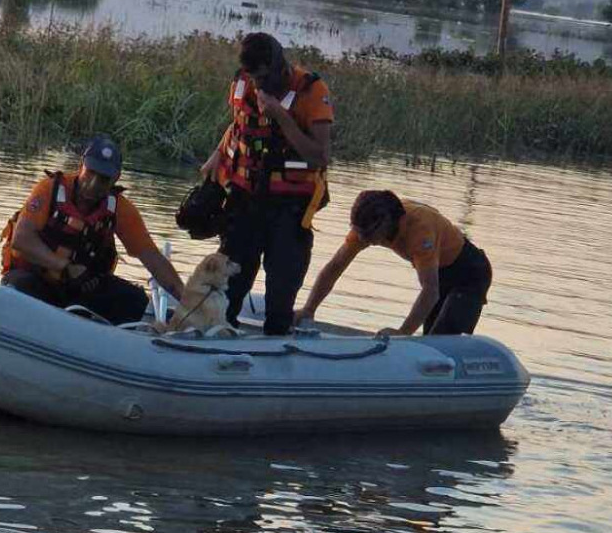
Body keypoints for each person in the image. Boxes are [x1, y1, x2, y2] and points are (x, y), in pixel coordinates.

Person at [198, 32, 333, 335]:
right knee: (230, 283)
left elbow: (320, 155)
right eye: (253, 77)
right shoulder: (241, 83)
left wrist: (280, 116)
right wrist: (216, 157)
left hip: (290, 207)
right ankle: (216, 339)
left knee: (281, 288)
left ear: (279, 68)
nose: (259, 85)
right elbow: (239, 126)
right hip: (244, 198)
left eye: (263, 78)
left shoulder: (310, 91)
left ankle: (277, 346)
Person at [0, 136, 184, 324]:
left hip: (83, 289)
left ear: (116, 178)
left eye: (104, 179)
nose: (94, 184)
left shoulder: (120, 209)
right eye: (91, 173)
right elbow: (21, 240)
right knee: (19, 287)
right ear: (81, 166)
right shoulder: (49, 189)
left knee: (135, 300)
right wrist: (65, 267)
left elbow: (153, 258)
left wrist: (187, 302)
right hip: (36, 279)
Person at [295, 190, 493, 336]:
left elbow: (430, 290)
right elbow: (335, 267)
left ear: (388, 222)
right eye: (360, 233)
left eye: (369, 234)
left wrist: (403, 333)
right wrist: (309, 309)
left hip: (469, 273)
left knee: (441, 339)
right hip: (439, 271)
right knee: (429, 339)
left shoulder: (419, 230)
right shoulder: (364, 230)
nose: (364, 239)